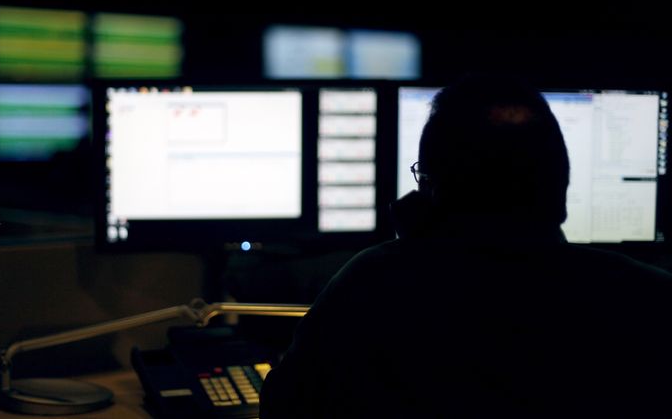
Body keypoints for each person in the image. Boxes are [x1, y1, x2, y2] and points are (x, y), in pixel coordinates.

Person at [260, 75, 672, 418]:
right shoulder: (650, 296)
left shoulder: (372, 284)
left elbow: (285, 408)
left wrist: (416, 247)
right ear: (560, 187)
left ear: (430, 190)